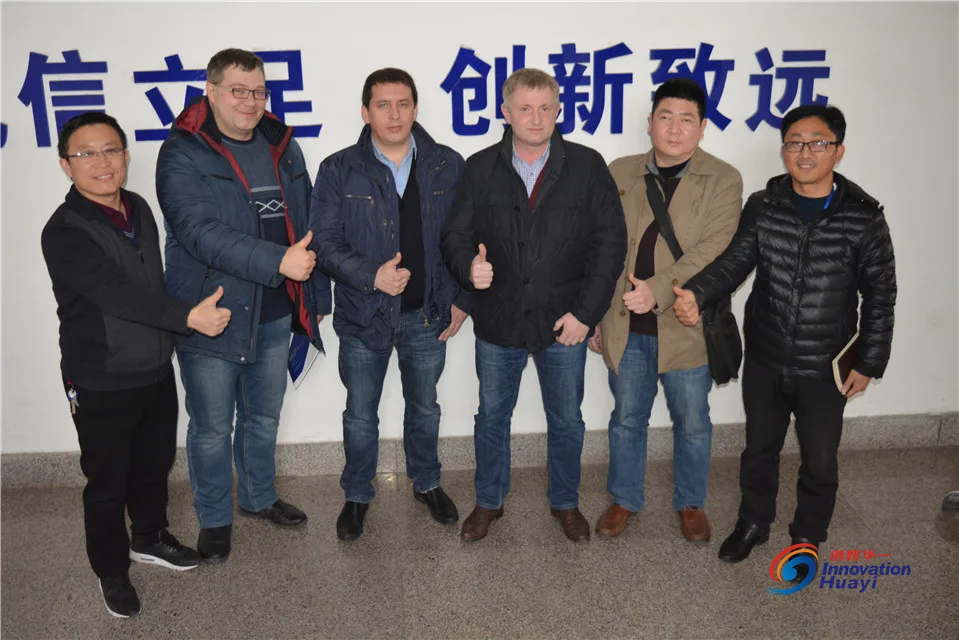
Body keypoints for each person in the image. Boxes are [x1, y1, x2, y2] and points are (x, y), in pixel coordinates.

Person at [673, 105, 896, 569]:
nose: (805, 152)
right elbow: (735, 262)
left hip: (825, 365)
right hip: (766, 355)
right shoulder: (764, 205)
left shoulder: (863, 218)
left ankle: (808, 534)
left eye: (818, 143)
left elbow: (880, 296)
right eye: (794, 142)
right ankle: (753, 523)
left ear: (838, 151)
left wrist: (869, 362)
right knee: (759, 450)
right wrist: (697, 292)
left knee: (819, 459)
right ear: (783, 150)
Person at [41, 112, 232, 617]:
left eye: (111, 150)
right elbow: (118, 296)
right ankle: (111, 570)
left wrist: (176, 329)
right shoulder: (63, 231)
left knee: (153, 464)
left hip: (153, 368)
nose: (102, 162)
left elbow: (153, 284)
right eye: (86, 153)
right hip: (101, 377)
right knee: (107, 480)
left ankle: (148, 536)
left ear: (126, 156)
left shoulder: (139, 207)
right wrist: (189, 317)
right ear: (66, 165)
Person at [157, 48, 329, 563]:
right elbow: (199, 232)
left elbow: (309, 227)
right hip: (211, 312)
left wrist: (314, 297)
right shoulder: (183, 151)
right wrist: (280, 262)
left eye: (258, 91)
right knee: (212, 428)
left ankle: (257, 496)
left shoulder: (283, 145)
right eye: (238, 91)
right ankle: (213, 518)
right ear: (210, 92)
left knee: (263, 417)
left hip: (276, 312)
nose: (251, 102)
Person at [442, 68, 627, 543]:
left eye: (546, 108)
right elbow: (456, 236)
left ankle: (565, 502)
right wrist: (468, 267)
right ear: (506, 112)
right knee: (491, 418)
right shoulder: (480, 167)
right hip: (498, 316)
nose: (536, 118)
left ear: (558, 110)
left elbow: (610, 245)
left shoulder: (587, 166)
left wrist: (586, 314)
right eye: (525, 108)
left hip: (564, 320)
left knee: (566, 419)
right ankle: (489, 501)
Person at [310, 68, 468, 541]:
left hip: (428, 314)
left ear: (416, 109)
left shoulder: (447, 164)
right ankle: (358, 492)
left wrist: (462, 299)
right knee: (360, 414)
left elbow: (465, 237)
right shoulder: (338, 169)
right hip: (364, 314)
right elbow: (324, 243)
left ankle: (427, 482)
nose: (394, 114)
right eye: (383, 105)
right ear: (366, 112)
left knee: (425, 407)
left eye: (403, 104)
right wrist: (371, 276)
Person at [590, 78, 743, 542]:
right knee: (626, 419)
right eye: (665, 117)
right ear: (650, 122)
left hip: (686, 325)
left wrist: (657, 290)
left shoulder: (724, 179)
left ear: (702, 127)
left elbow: (714, 250)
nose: (675, 129)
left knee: (693, 422)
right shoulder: (619, 171)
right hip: (625, 322)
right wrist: (595, 314)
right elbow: (600, 246)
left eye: (686, 120)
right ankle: (624, 499)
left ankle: (691, 502)